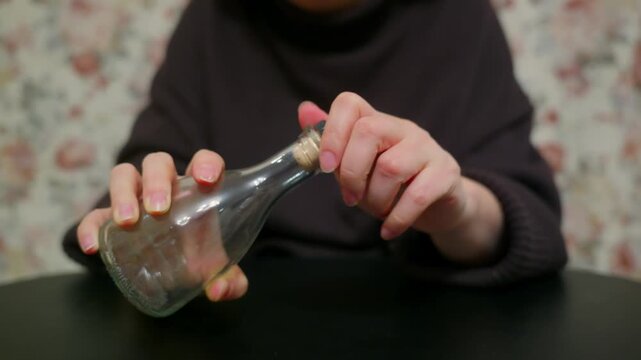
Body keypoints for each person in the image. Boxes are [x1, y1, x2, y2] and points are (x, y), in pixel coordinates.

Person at [63, 0, 567, 302]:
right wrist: (140, 216)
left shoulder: (459, 18)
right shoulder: (214, 19)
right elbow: (151, 172)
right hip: (235, 316)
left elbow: (532, 221)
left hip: (430, 319)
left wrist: (458, 210)